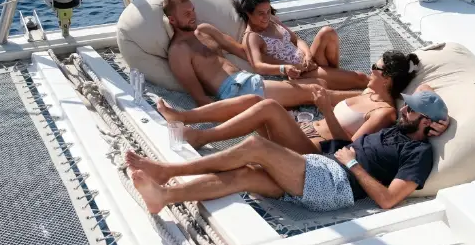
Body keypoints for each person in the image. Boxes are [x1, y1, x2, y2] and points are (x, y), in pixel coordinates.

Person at [125, 90, 450, 214]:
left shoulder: (418, 154)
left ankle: (167, 172)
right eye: (406, 105)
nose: (403, 108)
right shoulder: (400, 128)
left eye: (412, 110)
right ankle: (164, 198)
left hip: (335, 185)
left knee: (256, 147)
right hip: (320, 166)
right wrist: (441, 120)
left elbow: (389, 200)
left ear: (425, 121)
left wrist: (352, 165)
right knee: (245, 175)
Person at [157, 51, 450, 150]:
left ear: (386, 79)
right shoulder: (368, 94)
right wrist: (310, 90)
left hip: (313, 150)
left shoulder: (385, 113)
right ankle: (184, 119)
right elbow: (423, 83)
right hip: (300, 132)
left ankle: (200, 138)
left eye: (376, 68)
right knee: (253, 98)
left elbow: (348, 148)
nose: (370, 69)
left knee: (269, 106)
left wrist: (324, 109)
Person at [164, 0, 322, 107]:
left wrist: (287, 63)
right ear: (172, 19)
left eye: (192, 10)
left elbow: (243, 52)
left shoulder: (205, 30)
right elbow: (200, 98)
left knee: (320, 84)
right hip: (234, 91)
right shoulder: (179, 51)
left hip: (249, 79)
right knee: (315, 91)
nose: (193, 16)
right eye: (186, 14)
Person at [238, 0, 368, 90]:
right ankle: (337, 77)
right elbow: (257, 66)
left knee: (327, 31)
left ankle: (336, 76)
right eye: (261, 13)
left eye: (268, 11)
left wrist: (308, 55)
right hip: (300, 73)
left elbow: (297, 40)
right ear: (248, 14)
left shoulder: (273, 20)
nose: (266, 17)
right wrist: (285, 68)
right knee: (360, 78)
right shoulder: (252, 37)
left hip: (307, 61)